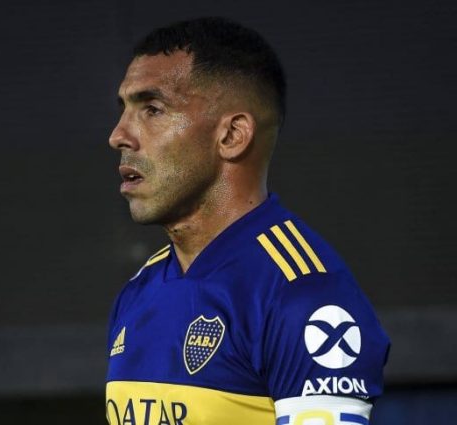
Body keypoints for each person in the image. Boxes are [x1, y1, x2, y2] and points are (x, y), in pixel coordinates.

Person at [106, 17, 390, 425]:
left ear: (232, 136)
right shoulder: (138, 292)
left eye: (152, 109)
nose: (119, 135)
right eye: (124, 110)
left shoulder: (304, 296)